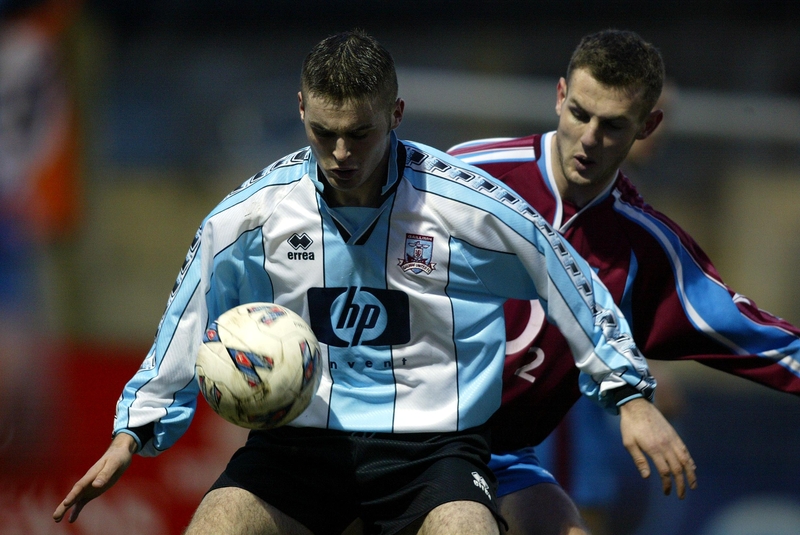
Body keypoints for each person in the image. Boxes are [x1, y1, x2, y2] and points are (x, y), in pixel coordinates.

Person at [53, 30, 695, 535]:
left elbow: (566, 273)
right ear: (301, 110)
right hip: (299, 446)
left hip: (435, 453)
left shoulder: (465, 208)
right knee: (217, 526)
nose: (341, 153)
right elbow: (188, 315)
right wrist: (133, 431)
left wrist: (627, 394)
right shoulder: (250, 217)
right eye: (323, 133)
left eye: (360, 133)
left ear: (396, 112)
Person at [448, 28, 800, 535]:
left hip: (503, 455)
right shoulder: (464, 177)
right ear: (560, 97)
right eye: (580, 115)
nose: (590, 139)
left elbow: (754, 334)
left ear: (647, 125)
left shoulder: (645, 246)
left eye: (613, 125)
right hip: (411, 436)